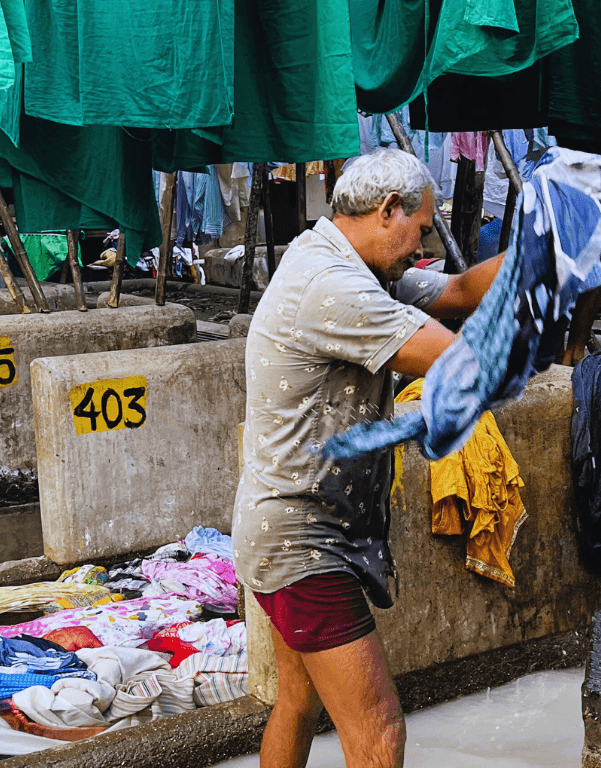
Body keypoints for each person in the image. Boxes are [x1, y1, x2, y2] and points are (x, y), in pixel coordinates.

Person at [232, 148, 504, 768]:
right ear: (388, 211)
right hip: (303, 539)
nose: (424, 243)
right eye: (422, 228)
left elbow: (461, 290)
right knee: (378, 729)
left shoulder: (344, 259)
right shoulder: (333, 287)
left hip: (288, 525)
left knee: (298, 705)